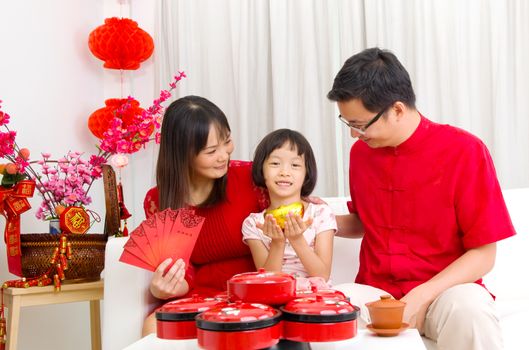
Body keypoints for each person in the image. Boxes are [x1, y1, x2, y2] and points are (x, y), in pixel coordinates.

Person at [327, 47, 515, 349]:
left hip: (446, 292)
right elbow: (366, 222)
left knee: (470, 312)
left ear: (397, 110)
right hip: (376, 293)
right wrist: (318, 219)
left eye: (360, 125)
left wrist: (423, 294)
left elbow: (483, 254)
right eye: (348, 123)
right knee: (328, 311)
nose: (353, 135)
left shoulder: (464, 151)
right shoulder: (361, 154)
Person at [141, 95, 268, 334]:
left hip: (255, 290)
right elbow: (180, 267)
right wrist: (168, 288)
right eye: (211, 151)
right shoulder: (157, 200)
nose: (224, 155)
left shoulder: (251, 177)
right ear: (182, 155)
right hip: (201, 296)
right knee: (152, 327)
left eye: (227, 142)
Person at [242, 129, 336, 290]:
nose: (285, 172)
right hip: (276, 296)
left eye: (295, 165)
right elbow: (268, 281)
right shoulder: (254, 223)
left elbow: (322, 275)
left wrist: (297, 240)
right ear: (261, 169)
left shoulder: (320, 214)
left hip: (316, 299)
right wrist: (278, 243)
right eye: (275, 164)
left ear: (307, 173)